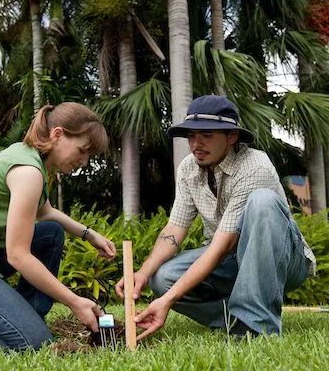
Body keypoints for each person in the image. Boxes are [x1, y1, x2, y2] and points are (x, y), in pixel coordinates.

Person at [116, 95, 316, 340]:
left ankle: (257, 325)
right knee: (162, 278)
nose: (196, 144)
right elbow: (175, 228)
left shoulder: (255, 166)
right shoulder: (189, 167)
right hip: (232, 259)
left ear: (231, 137)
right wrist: (143, 274)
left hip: (285, 260)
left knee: (262, 201)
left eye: (207, 135)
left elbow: (220, 248)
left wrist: (167, 301)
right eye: (191, 136)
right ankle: (237, 320)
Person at [0, 102, 116, 351]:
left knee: (51, 233)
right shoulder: (28, 172)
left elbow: (47, 212)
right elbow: (18, 255)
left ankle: (27, 316)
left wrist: (89, 234)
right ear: (58, 134)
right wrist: (74, 301)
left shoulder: (30, 158)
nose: (84, 161)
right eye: (82, 150)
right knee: (32, 343)